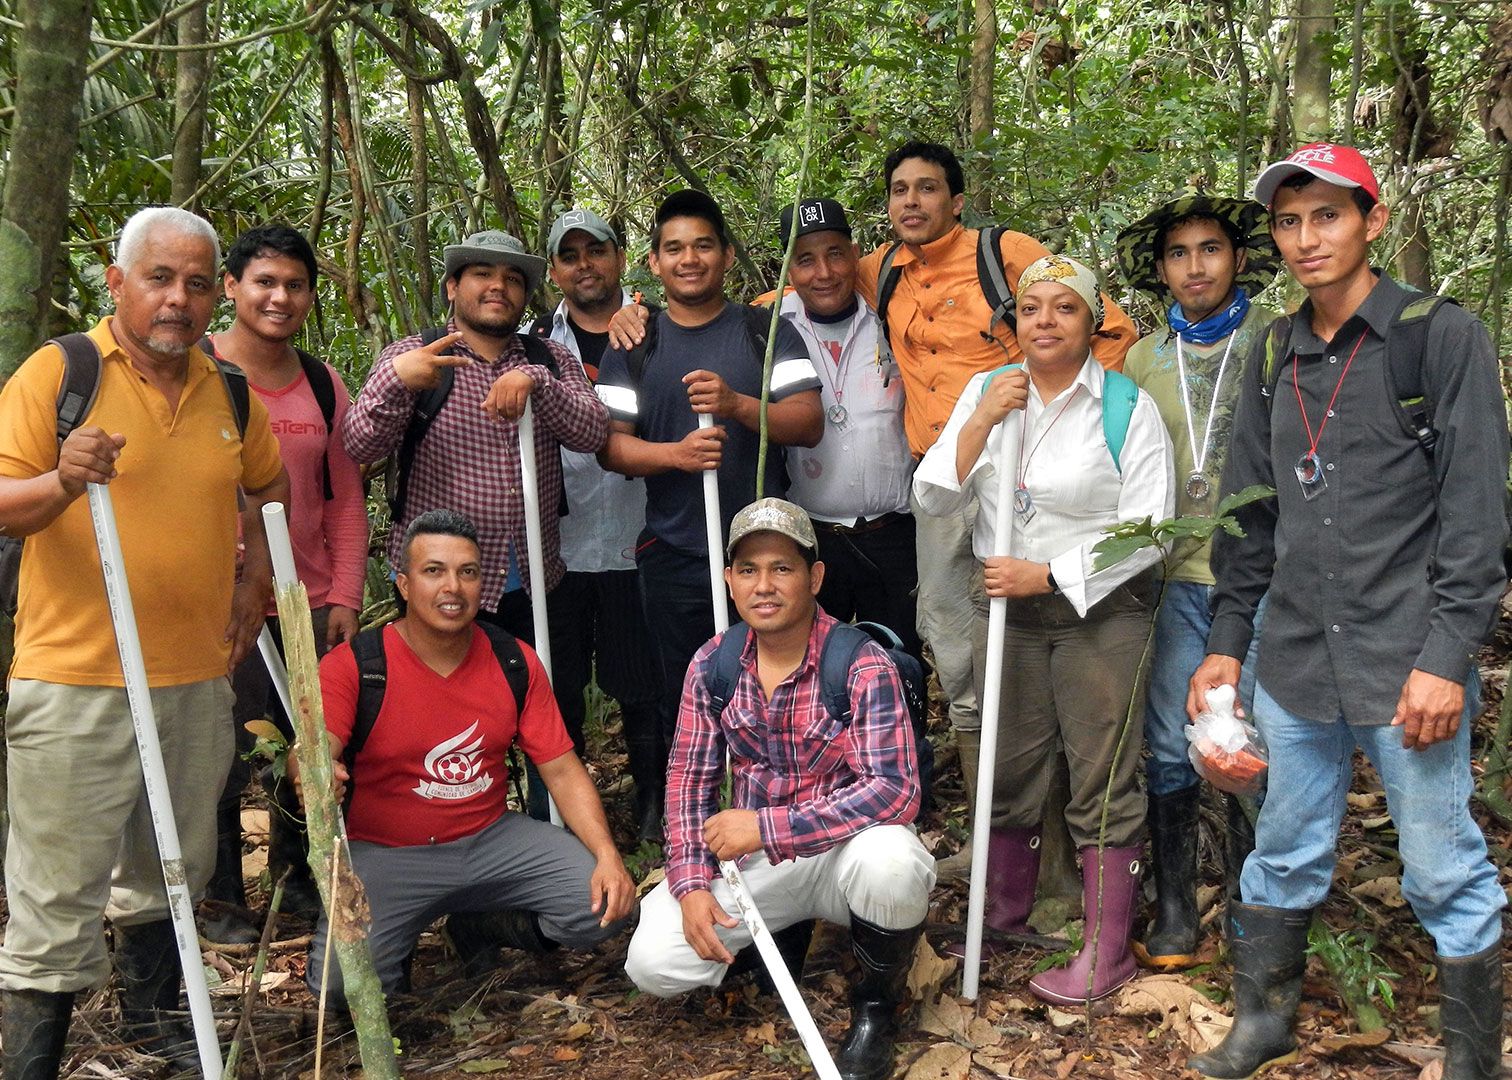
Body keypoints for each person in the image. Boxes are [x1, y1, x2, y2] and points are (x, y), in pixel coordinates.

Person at [1187, 144, 1508, 1080]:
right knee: (1283, 849)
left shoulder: (1436, 336)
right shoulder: (1270, 352)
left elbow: (1479, 513)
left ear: (1372, 220)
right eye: (1288, 222)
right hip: (1291, 658)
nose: (1305, 238)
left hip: (1404, 659)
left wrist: (1449, 656)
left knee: (1442, 866)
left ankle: (1472, 1059)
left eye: (1326, 216)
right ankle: (1264, 1023)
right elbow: (1248, 516)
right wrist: (1224, 648)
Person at [0, 206, 288, 1075]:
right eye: (160, 279)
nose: (179, 300)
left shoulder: (228, 388)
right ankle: (31, 1061)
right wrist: (62, 476)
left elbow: (268, 496)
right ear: (117, 282)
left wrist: (255, 582)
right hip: (76, 679)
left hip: (194, 677)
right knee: (56, 894)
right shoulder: (62, 373)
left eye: (198, 284)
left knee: (171, 866)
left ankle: (154, 1021)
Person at [856, 140, 1138, 881]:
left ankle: (1056, 848)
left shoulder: (1003, 251)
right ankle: (994, 842)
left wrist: (1063, 408)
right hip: (944, 478)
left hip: (1026, 476)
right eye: (898, 191)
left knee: (1041, 652)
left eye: (927, 189)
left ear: (956, 198)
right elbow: (806, 287)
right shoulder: (881, 268)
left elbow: (1099, 325)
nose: (911, 202)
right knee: (957, 651)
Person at [913, 254, 1174, 1003]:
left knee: (1101, 771)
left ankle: (1106, 949)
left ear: (1094, 322)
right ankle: (1004, 914)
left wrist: (1051, 573)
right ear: (1014, 323)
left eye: (1066, 308)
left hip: (1102, 614)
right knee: (1010, 765)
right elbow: (931, 495)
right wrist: (983, 422)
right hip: (1010, 615)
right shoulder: (987, 392)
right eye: (1032, 309)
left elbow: (1152, 529)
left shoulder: (1124, 405)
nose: (1046, 322)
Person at [624, 498, 935, 1080]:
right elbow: (689, 780)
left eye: (782, 568)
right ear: (730, 580)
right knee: (653, 961)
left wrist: (768, 826)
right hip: (758, 861)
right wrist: (691, 885)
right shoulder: (713, 664)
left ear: (815, 577)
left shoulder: (861, 664)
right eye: (748, 570)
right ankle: (770, 941)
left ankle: (875, 1008)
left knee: (894, 863)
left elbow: (894, 792)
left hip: (847, 852)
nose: (764, 585)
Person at [304, 509, 635, 1004]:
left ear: (484, 583)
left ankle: (482, 927)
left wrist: (608, 854)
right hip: (387, 852)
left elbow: (562, 768)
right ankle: (397, 945)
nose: (452, 587)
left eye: (468, 572)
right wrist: (315, 771)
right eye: (433, 571)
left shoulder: (512, 660)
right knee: (341, 990)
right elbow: (312, 752)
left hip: (489, 838)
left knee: (606, 906)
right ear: (403, 583)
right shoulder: (357, 666)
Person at [596, 189, 823, 808]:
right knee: (687, 694)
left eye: (702, 246)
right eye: (674, 249)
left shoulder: (764, 330)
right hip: (675, 556)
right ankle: (694, 824)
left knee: (777, 687)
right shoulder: (633, 347)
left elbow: (807, 421)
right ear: (654, 261)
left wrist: (736, 406)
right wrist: (675, 455)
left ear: (725, 255)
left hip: (764, 554)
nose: (689, 259)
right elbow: (611, 450)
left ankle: (777, 817)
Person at [1113, 191, 1281, 968]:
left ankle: (1255, 901)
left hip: (1268, 576)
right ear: (1160, 271)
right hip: (1176, 577)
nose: (1195, 267)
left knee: (1260, 744)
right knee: (1172, 746)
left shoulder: (1276, 341)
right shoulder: (1144, 359)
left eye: (1210, 250)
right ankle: (1176, 905)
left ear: (1239, 259)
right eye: (1178, 255)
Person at [201, 224, 370, 941]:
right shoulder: (198, 368)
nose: (279, 297)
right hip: (215, 604)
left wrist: (347, 594)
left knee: (307, 747)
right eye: (264, 282)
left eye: (294, 285)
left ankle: (297, 879)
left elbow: (344, 501)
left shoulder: (322, 384)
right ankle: (216, 898)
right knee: (219, 753)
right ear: (232, 287)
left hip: (305, 600)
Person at [341, 230, 608, 642]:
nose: (498, 286)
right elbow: (359, 445)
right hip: (438, 585)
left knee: (539, 700)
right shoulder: (414, 355)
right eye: (483, 273)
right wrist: (398, 382)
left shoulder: (550, 359)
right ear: (452, 287)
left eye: (513, 279)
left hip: (534, 580)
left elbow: (593, 433)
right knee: (443, 702)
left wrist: (537, 382)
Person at [520, 209, 664, 839]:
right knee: (559, 688)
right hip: (561, 546)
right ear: (553, 271)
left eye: (596, 250)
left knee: (646, 687)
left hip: (642, 539)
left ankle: (657, 807)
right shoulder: (531, 347)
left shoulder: (656, 331)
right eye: (569, 254)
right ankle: (563, 825)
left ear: (619, 256)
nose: (585, 264)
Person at [771, 198, 924, 672]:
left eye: (836, 254)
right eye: (806, 259)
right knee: (815, 672)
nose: (824, 272)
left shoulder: (892, 316)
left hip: (894, 532)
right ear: (788, 268)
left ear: (855, 254)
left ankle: (902, 747)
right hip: (811, 539)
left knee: (899, 667)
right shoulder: (768, 330)